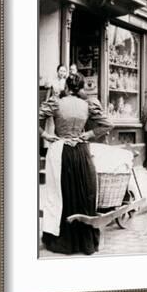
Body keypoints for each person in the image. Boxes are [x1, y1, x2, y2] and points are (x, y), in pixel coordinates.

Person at [39, 74, 113, 255]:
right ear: (80, 88)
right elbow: (107, 124)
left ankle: (62, 238)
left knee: (60, 194)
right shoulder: (88, 104)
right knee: (82, 193)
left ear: (66, 86)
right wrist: (87, 135)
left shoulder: (55, 102)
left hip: (60, 151)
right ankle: (83, 241)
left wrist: (45, 135)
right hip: (81, 151)